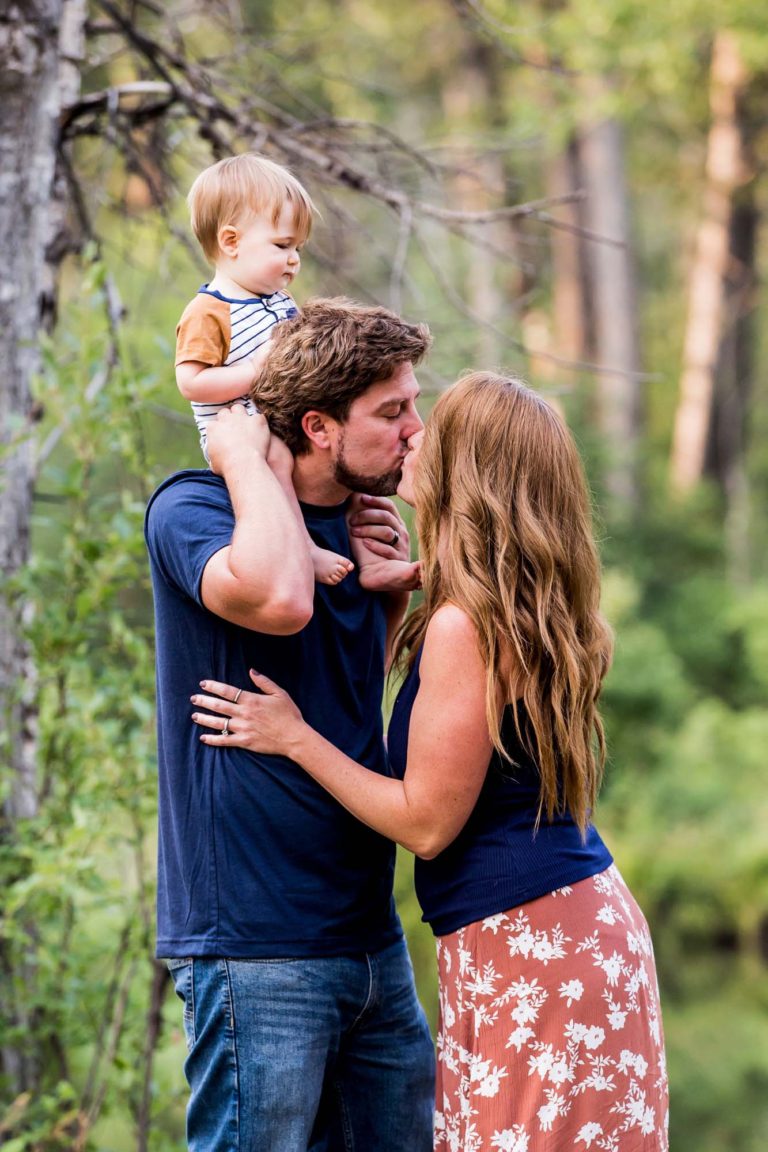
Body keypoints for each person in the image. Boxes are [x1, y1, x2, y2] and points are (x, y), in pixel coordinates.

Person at [192, 372, 670, 1151]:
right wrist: (389, 600)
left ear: (471, 472)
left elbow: (425, 823)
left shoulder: (466, 626)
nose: (413, 434)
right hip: (555, 934)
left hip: (533, 947)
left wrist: (292, 735)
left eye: (431, 427)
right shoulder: (505, 607)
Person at [145, 297, 436, 1151]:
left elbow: (343, 703)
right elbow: (278, 598)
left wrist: (383, 605)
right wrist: (242, 454)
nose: (415, 432)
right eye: (392, 412)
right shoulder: (193, 512)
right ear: (316, 426)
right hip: (255, 943)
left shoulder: (354, 528)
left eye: (413, 405)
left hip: (370, 938)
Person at [175, 151, 417, 591]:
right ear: (231, 242)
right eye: (282, 246)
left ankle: (374, 561)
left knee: (355, 468)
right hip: (238, 435)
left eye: (298, 249)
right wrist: (253, 372)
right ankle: (302, 546)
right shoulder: (209, 311)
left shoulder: (278, 303)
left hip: (278, 420)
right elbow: (191, 382)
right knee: (282, 460)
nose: (294, 260)